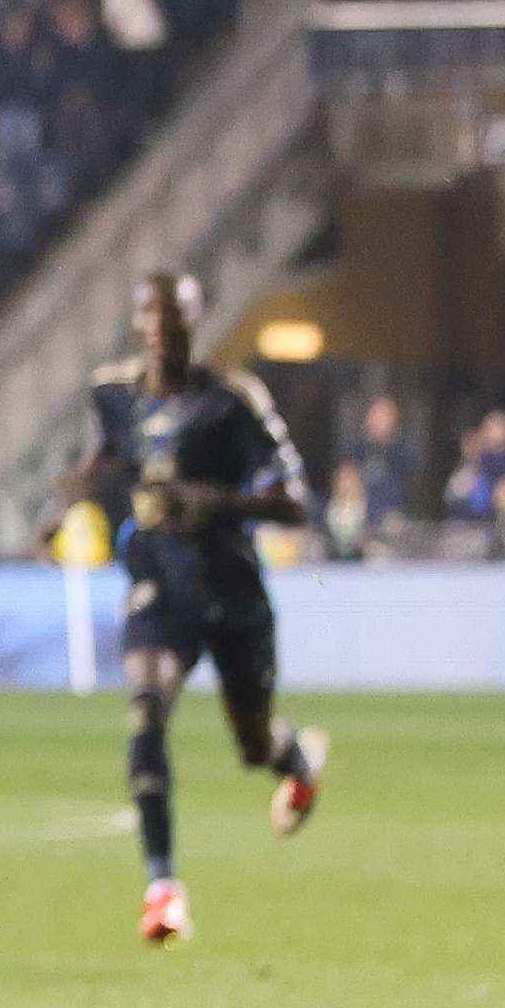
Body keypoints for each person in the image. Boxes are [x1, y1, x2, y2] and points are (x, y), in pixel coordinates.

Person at [50, 272, 326, 948]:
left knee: (252, 742)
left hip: (231, 588)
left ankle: (294, 759)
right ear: (137, 322)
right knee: (146, 708)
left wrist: (213, 501)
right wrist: (60, 506)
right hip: (160, 583)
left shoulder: (233, 400)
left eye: (174, 318)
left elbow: (295, 501)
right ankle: (163, 890)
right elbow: (106, 452)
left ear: (195, 323)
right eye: (151, 315)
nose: (161, 330)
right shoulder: (113, 394)